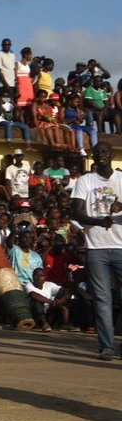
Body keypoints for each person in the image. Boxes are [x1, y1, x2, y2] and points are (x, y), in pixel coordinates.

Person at [70, 142, 122, 360]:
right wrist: (100, 222)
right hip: (96, 248)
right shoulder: (84, 181)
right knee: (102, 299)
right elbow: (77, 212)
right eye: (97, 152)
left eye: (105, 151)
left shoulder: (121, 179)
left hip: (121, 246)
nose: (101, 155)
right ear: (92, 156)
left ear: (111, 155)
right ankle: (107, 346)